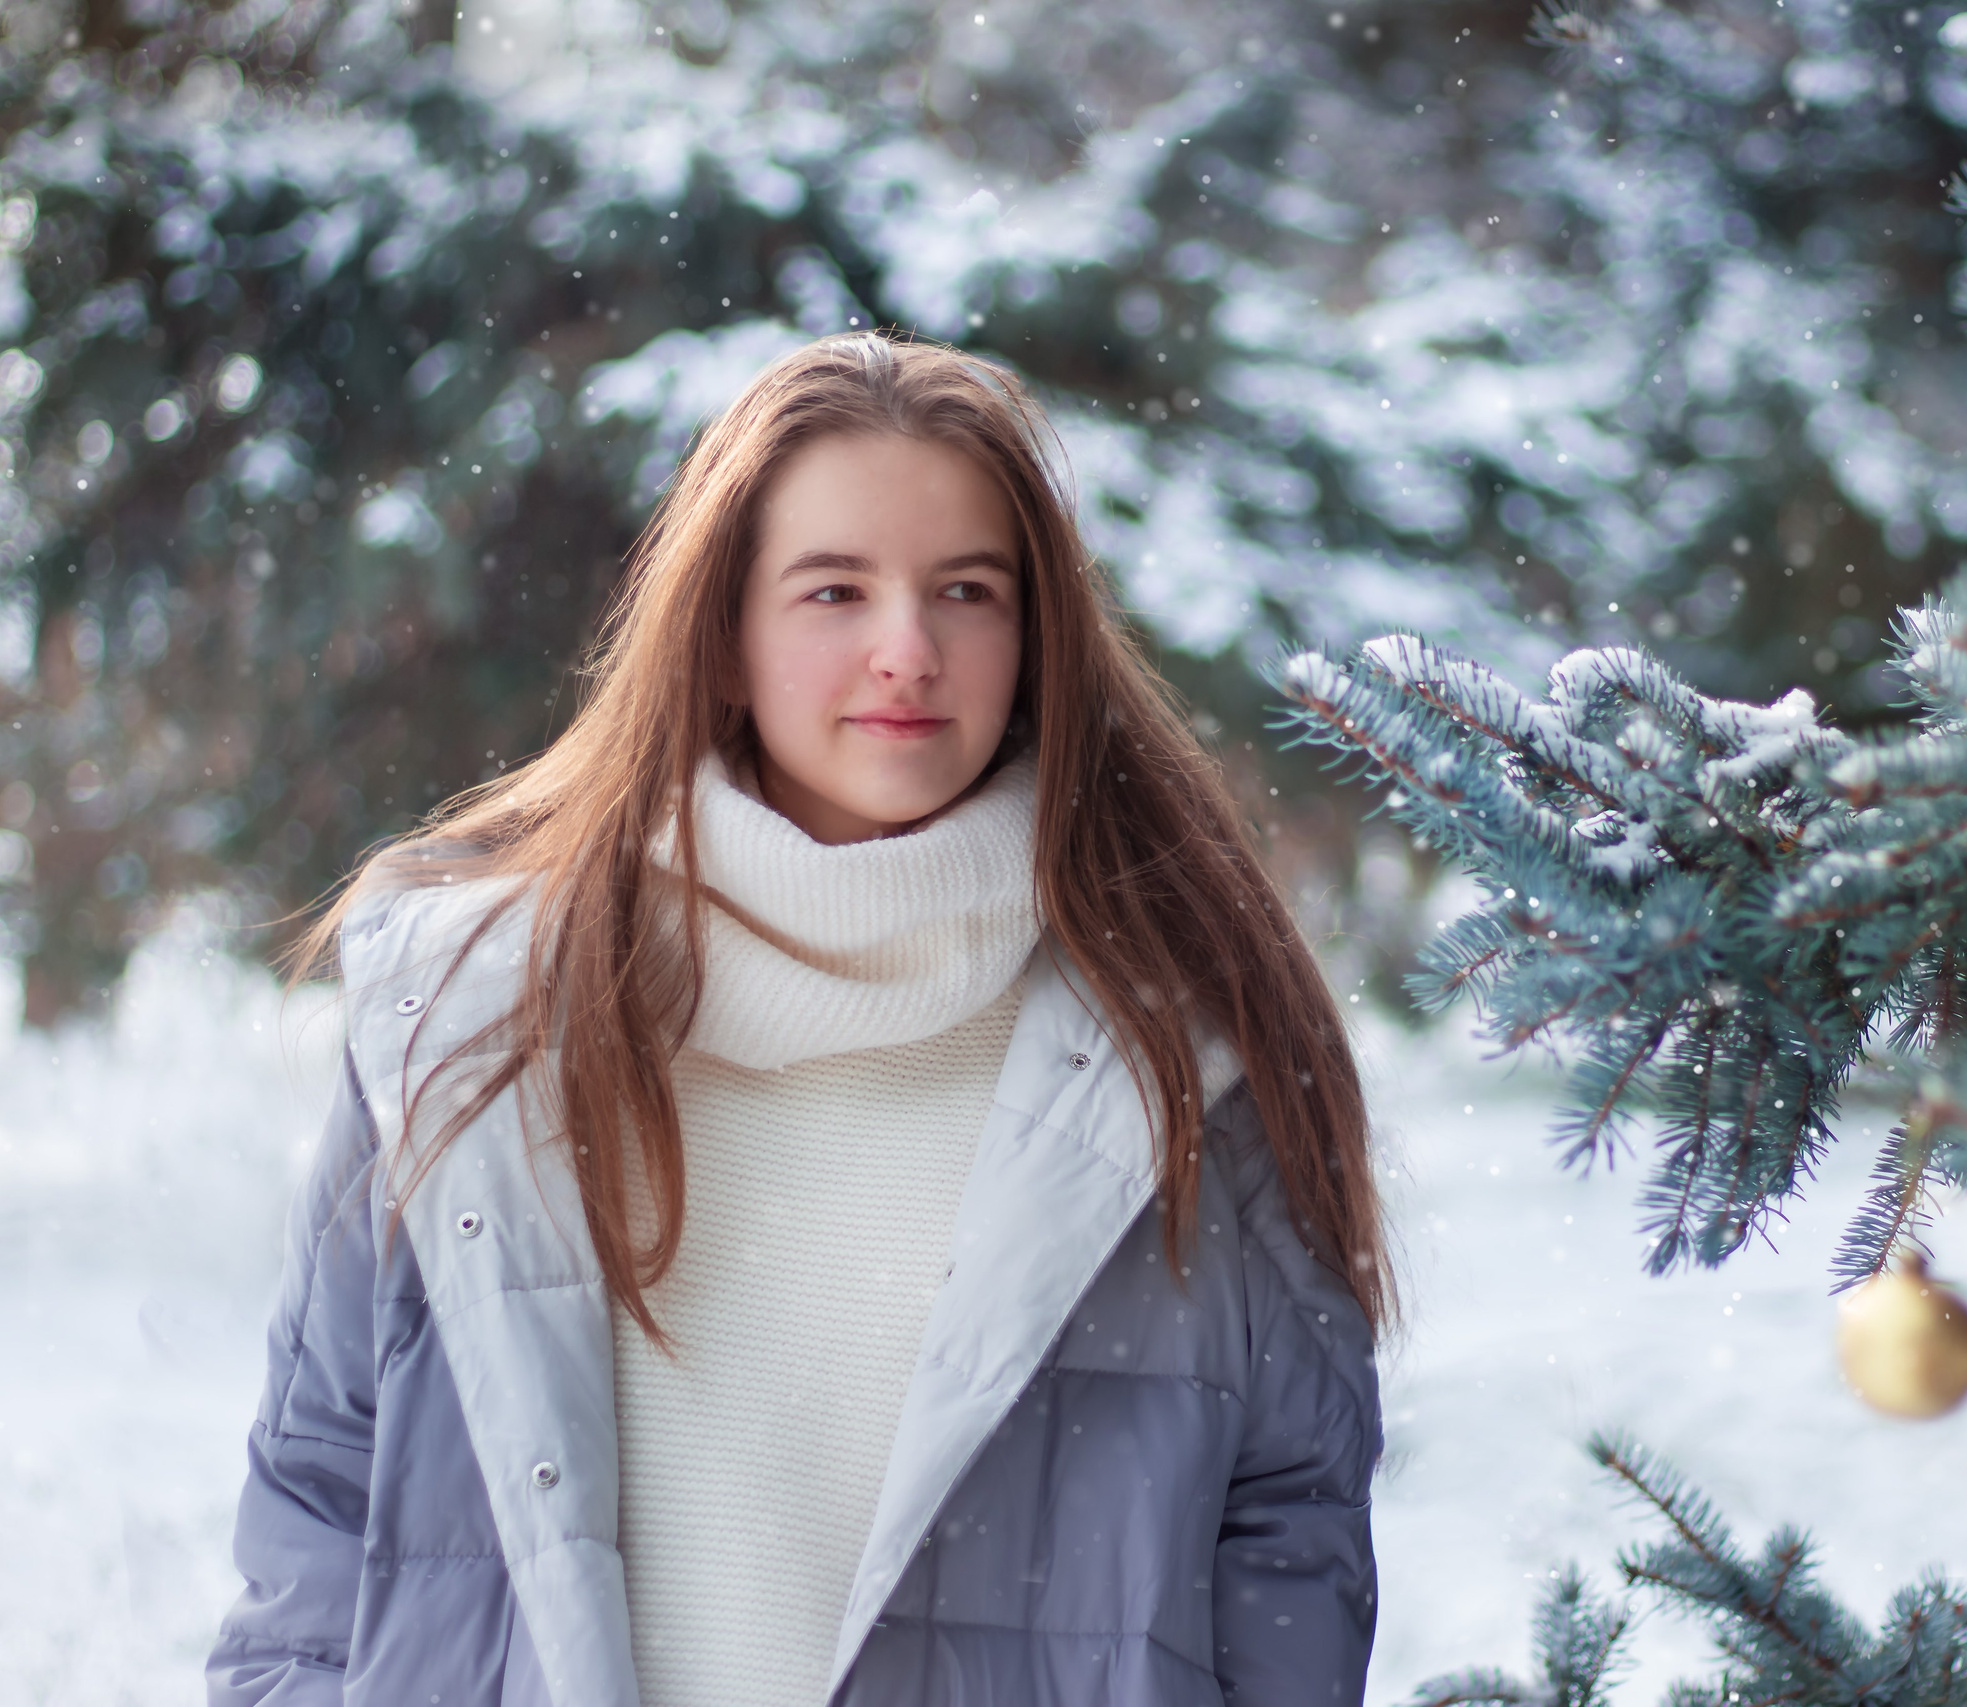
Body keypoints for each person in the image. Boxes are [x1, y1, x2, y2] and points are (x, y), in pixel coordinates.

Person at [206, 333, 1390, 1706]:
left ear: (1036, 640)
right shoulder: (472, 1025)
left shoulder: (1184, 1056)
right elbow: (314, 1528)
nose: (909, 650)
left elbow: (1291, 1547)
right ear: (721, 640)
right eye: (835, 590)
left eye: (968, 591)